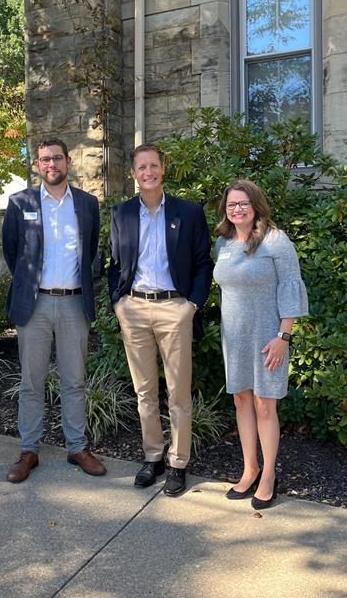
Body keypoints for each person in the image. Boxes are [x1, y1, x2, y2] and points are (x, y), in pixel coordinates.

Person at [108, 143, 213, 497]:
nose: (148, 172)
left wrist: (192, 305)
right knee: (144, 391)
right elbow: (114, 265)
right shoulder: (121, 213)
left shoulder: (188, 212)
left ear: (163, 168)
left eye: (153, 165)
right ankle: (152, 457)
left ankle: (178, 463)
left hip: (174, 309)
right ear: (133, 174)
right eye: (142, 167)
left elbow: (203, 264)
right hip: (134, 309)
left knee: (178, 391)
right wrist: (118, 303)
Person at [2, 137, 106, 482]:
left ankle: (77, 447)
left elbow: (91, 250)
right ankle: (29, 449)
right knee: (32, 381)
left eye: (57, 158)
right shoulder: (20, 202)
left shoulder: (87, 204)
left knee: (74, 380)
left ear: (68, 162)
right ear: (37, 164)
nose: (52, 165)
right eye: (45, 159)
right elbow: (12, 251)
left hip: (75, 302)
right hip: (35, 304)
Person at [214, 179, 308, 509]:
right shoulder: (223, 243)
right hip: (234, 337)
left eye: (243, 203)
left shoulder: (276, 240)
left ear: (256, 206)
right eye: (231, 204)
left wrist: (284, 337)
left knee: (265, 405)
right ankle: (249, 468)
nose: (237, 209)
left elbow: (291, 286)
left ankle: (268, 475)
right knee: (241, 400)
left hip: (269, 337)